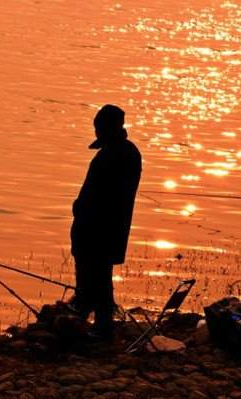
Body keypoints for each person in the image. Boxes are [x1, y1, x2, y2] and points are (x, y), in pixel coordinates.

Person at [67, 104, 142, 342]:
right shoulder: (128, 151)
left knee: (96, 273)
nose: (96, 132)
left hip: (99, 227)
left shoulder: (113, 155)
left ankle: (99, 325)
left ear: (108, 128)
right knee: (101, 275)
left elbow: (98, 196)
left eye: (99, 128)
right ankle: (95, 317)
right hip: (112, 226)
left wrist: (80, 210)